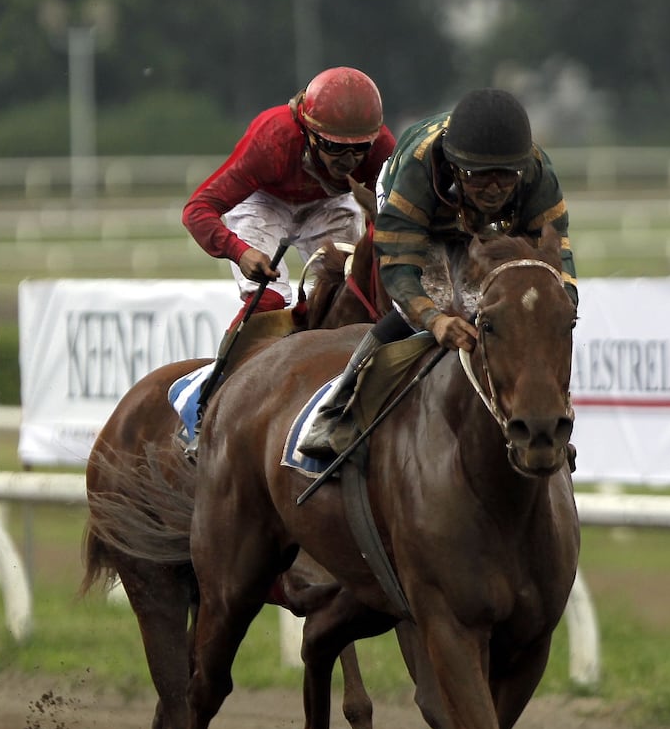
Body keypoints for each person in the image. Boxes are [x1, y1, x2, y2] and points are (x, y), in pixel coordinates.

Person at [297, 86, 579, 456]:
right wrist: (433, 319)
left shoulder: (536, 171)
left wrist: (560, 304)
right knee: (442, 305)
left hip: (483, 226)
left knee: (501, 310)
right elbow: (398, 267)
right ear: (454, 164)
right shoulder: (418, 166)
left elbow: (558, 255)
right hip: (418, 220)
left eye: (505, 176)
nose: (494, 189)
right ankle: (339, 407)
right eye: (480, 176)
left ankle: (537, 417)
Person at [182, 66, 395, 325]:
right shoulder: (273, 140)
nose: (349, 160)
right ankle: (231, 366)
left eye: (360, 148)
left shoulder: (382, 148)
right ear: (309, 132)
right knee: (268, 300)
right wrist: (240, 252)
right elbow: (197, 210)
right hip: (266, 201)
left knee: (351, 296)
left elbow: (389, 218)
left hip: (330, 202)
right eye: (334, 147)